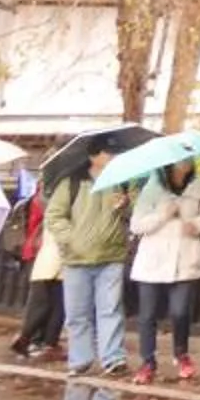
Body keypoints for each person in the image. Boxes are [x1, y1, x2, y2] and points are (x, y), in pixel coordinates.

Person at [45, 140, 132, 381]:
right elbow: (54, 216)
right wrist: (71, 239)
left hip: (111, 255)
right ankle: (80, 360)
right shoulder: (71, 182)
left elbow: (133, 214)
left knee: (111, 309)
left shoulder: (123, 181)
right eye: (108, 151)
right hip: (76, 259)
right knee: (77, 313)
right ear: (94, 156)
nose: (113, 155)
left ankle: (113, 358)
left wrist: (125, 205)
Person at [127, 159, 200, 383]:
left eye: (187, 161)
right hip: (153, 259)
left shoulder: (199, 185)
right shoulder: (152, 188)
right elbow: (136, 225)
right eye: (178, 162)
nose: (183, 165)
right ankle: (148, 362)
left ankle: (181, 353)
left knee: (180, 311)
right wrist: (162, 215)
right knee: (147, 315)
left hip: (185, 257)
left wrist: (195, 224)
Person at [7, 186, 64, 360]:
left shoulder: (39, 195)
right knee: (54, 302)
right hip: (51, 254)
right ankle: (41, 341)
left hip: (39, 253)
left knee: (43, 300)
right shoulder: (54, 198)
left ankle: (35, 339)